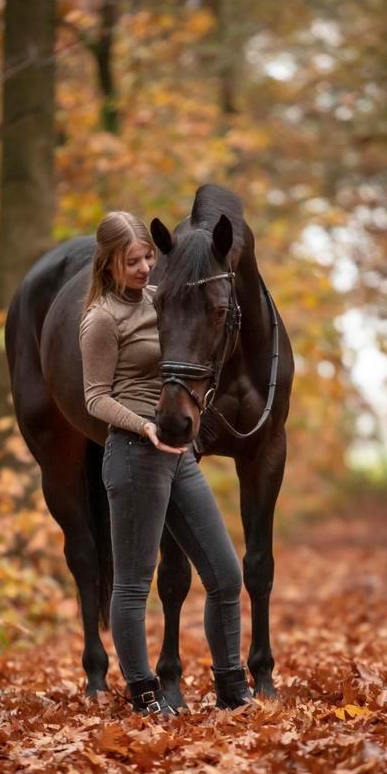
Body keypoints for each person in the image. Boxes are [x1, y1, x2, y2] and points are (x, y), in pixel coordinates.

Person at [79, 210, 254, 717]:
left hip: (180, 455)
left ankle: (230, 685)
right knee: (134, 584)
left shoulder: (162, 299)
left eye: (148, 257)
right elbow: (94, 398)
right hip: (135, 453)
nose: (143, 267)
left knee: (224, 574)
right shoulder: (101, 319)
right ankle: (145, 693)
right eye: (131, 260)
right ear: (109, 264)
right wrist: (143, 426)